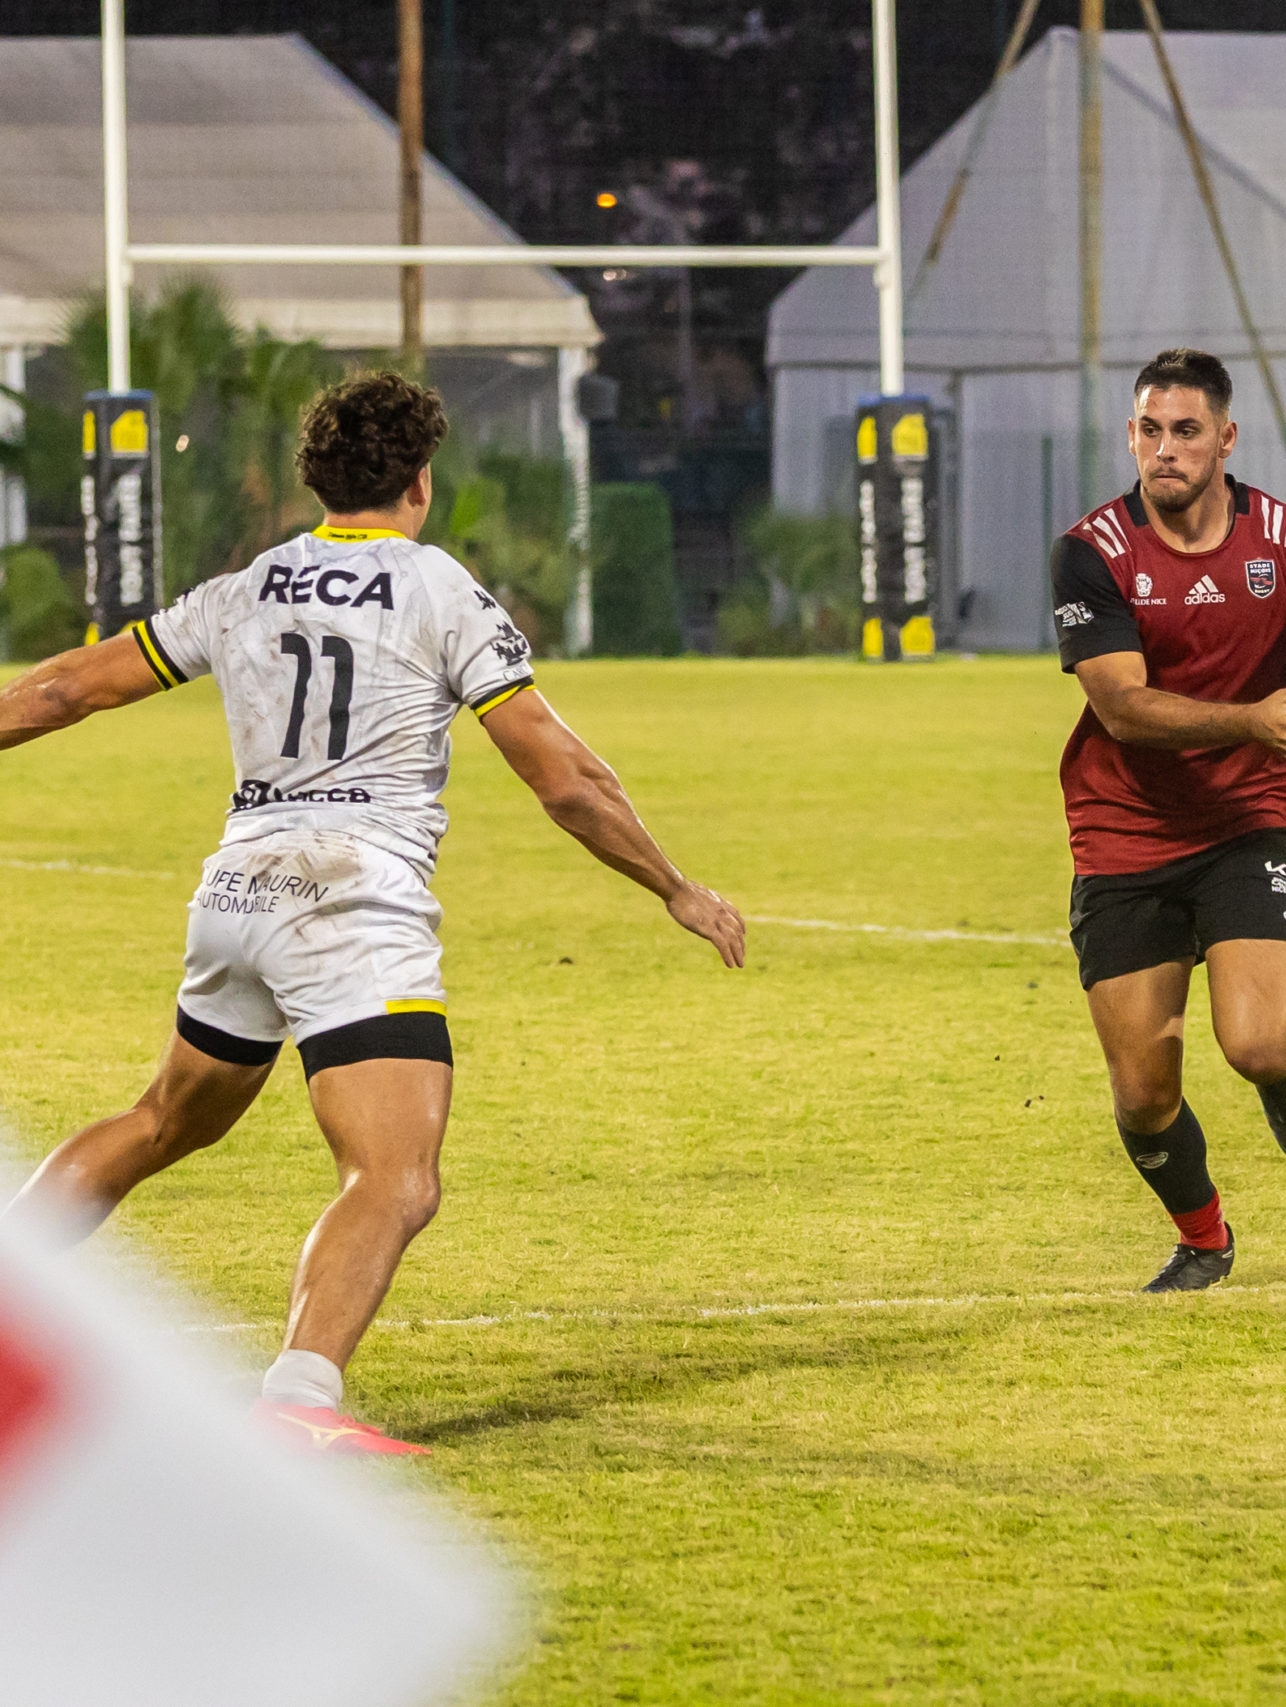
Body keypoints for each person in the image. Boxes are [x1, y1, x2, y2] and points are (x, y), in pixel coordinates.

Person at [0, 372, 744, 1453]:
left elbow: (69, 686)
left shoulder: (248, 585)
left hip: (240, 890)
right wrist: (674, 883)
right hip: (350, 902)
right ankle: (299, 1408)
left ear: (318, 479)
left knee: (163, 1121)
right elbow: (564, 776)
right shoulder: (437, 589)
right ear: (420, 483)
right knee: (393, 1177)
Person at [1051, 348, 1286, 1292]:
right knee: (1143, 1092)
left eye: (1186, 431)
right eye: (1148, 430)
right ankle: (1204, 1238)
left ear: (1225, 439)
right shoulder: (1093, 552)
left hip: (1247, 819)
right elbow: (1123, 708)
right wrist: (1254, 717)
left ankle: (1283, 1064)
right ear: (1132, 434)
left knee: (1251, 1041)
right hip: (1123, 830)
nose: (1163, 450)